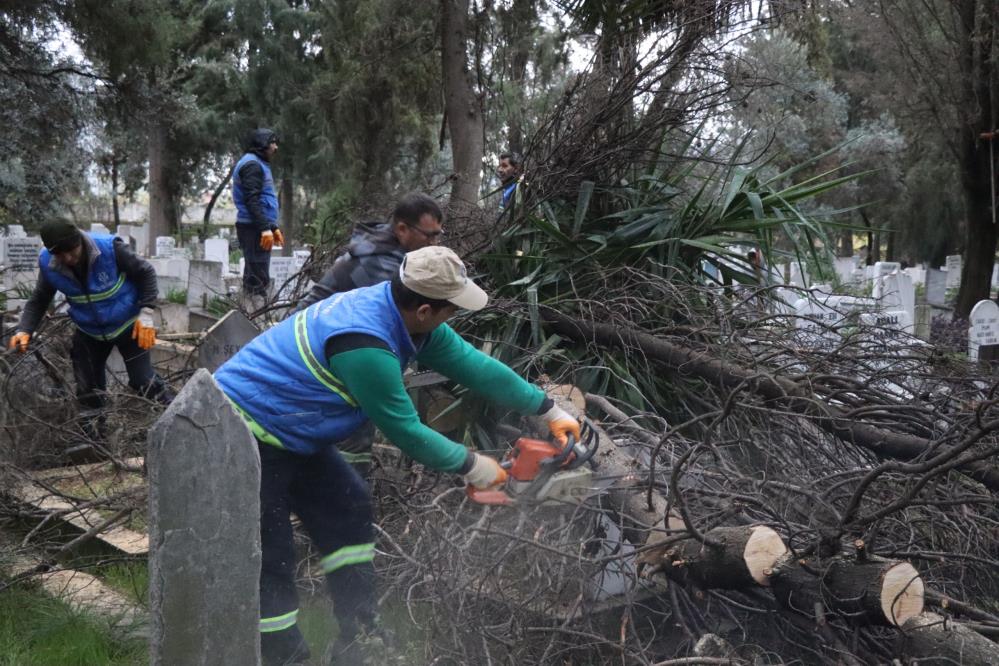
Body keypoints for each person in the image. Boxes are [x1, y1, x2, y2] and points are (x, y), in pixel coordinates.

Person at [214, 246, 580, 665]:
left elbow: (474, 366)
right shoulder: (364, 342)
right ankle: (281, 655)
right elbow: (405, 430)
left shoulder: (407, 318)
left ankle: (360, 633)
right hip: (241, 433)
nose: (453, 317)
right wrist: (474, 466)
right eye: (450, 309)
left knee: (349, 508)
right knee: (271, 553)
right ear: (424, 308)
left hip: (292, 431)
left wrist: (547, 410)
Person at [295, 192, 445, 474]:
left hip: (335, 349)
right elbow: (404, 320)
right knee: (352, 437)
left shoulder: (390, 253)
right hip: (316, 357)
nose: (434, 243)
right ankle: (349, 499)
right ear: (402, 229)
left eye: (438, 235)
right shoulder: (380, 266)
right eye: (429, 236)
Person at [8, 221, 171, 442]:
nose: (67, 258)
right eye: (59, 254)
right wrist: (24, 329)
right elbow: (39, 299)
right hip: (89, 331)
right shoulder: (49, 264)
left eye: (71, 251)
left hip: (129, 326)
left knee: (143, 381)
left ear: (80, 242)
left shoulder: (110, 249)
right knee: (88, 390)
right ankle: (95, 442)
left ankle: (179, 416)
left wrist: (147, 312)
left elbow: (146, 273)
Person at [233, 128, 284, 303]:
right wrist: (264, 228)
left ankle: (252, 312)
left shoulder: (257, 163)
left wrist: (272, 226)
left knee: (256, 271)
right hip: (253, 228)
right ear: (263, 144)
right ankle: (258, 314)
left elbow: (262, 200)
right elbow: (252, 200)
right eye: (273, 143)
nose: (276, 147)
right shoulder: (252, 165)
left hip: (257, 227)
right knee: (258, 276)